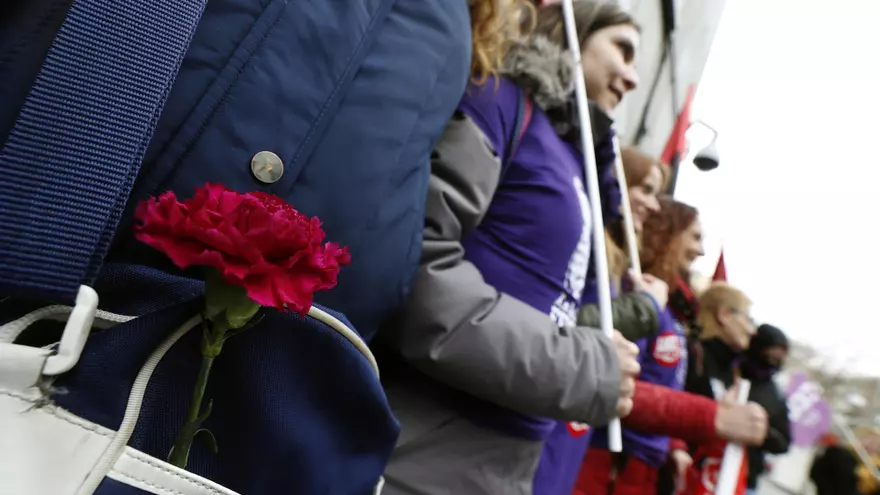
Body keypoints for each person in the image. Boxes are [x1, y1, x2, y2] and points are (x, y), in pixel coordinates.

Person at [378, 1, 643, 493]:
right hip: (423, 449)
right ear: (572, 31)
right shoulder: (501, 102)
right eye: (622, 50)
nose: (631, 77)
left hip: (508, 465)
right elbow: (417, 269)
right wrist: (586, 368)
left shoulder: (574, 162)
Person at [679, 281, 760, 495]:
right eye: (748, 319)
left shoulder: (731, 371)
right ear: (724, 314)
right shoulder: (690, 353)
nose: (752, 331)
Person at [742, 324, 791, 494]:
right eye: (773, 351)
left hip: (746, 478)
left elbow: (783, 443)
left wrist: (759, 429)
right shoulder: (730, 369)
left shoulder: (774, 394)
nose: (776, 358)